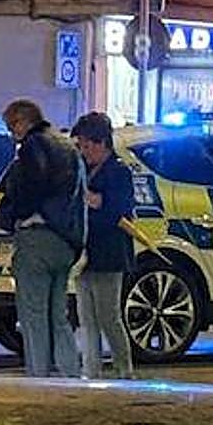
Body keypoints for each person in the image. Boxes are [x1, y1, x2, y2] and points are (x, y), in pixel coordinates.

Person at [0, 99, 86, 378]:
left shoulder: (33, 146)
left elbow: (29, 188)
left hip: (37, 237)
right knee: (58, 316)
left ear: (23, 121)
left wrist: (11, 214)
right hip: (66, 240)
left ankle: (39, 377)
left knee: (33, 315)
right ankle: (71, 374)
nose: (12, 134)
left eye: (12, 127)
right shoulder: (67, 146)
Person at [71, 112, 135, 379]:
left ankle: (124, 369)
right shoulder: (84, 170)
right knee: (86, 318)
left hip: (109, 253)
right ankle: (92, 370)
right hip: (86, 253)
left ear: (101, 143)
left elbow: (118, 210)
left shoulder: (118, 171)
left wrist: (96, 201)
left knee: (109, 316)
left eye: (87, 145)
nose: (84, 151)